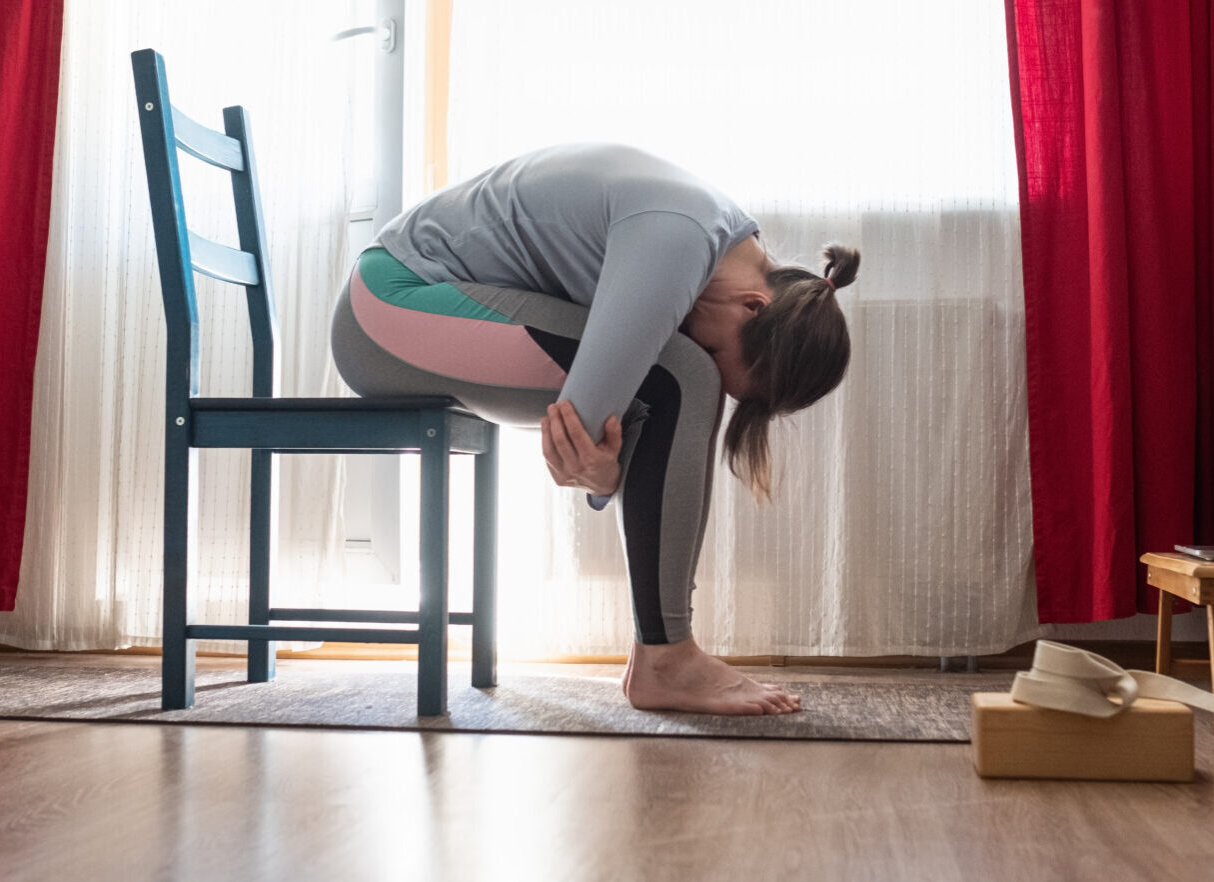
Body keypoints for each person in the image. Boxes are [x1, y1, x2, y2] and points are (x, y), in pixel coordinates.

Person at [332, 143, 857, 716]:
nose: (698, 341)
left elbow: (596, 428)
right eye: (717, 346)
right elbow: (575, 437)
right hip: (387, 309)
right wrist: (603, 474)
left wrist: (606, 470)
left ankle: (661, 655)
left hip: (416, 300)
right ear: (755, 307)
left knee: (678, 374)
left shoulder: (709, 232)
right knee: (685, 378)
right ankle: (667, 660)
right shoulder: (679, 239)